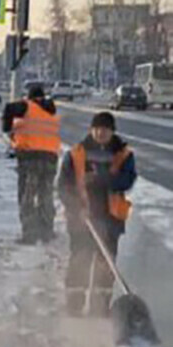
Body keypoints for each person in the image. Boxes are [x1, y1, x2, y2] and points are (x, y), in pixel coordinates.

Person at [57, 111, 137, 317]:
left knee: (105, 265)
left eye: (106, 129)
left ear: (112, 131)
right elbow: (63, 185)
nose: (101, 133)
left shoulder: (124, 155)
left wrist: (103, 179)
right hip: (82, 220)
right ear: (91, 129)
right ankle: (74, 306)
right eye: (97, 128)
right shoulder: (76, 154)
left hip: (111, 220)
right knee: (80, 261)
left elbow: (127, 180)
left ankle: (100, 309)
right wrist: (75, 207)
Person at [3, 85, 62, 244]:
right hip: (50, 158)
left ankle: (30, 234)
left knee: (27, 196)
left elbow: (8, 108)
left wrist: (7, 129)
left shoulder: (26, 106)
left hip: (30, 158)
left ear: (30, 97)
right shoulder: (51, 112)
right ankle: (47, 231)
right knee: (46, 195)